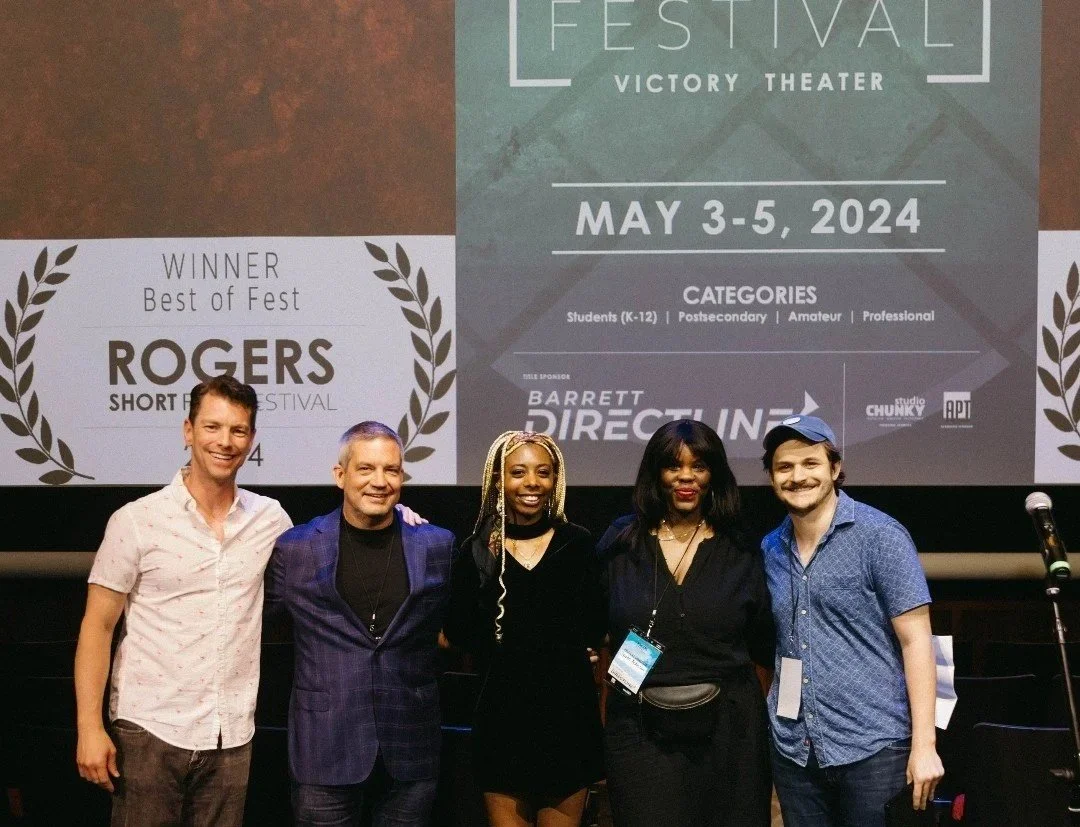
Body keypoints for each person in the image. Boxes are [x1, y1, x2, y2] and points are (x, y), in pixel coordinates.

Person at [74, 375, 293, 826]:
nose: (225, 441)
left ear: (251, 439)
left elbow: (331, 547)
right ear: (188, 430)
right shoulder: (136, 521)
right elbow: (97, 627)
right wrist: (89, 728)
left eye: (238, 430)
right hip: (149, 732)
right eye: (212, 427)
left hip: (231, 737)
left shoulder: (270, 519)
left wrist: (400, 518)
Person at [265, 421, 455, 826]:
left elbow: (452, 628)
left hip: (411, 746)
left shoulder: (437, 544)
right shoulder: (296, 548)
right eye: (366, 468)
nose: (380, 481)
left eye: (391, 470)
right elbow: (263, 625)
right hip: (324, 748)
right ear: (341, 475)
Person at [760, 415, 943, 826]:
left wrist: (924, 745)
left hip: (873, 749)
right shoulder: (770, 548)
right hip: (795, 750)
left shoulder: (881, 536)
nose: (797, 476)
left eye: (810, 463)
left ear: (835, 469)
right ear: (772, 478)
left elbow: (917, 641)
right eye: (784, 467)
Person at [596, 420, 774, 827]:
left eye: (700, 466)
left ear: (714, 475)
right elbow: (591, 620)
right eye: (674, 466)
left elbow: (764, 639)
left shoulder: (742, 547)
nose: (687, 477)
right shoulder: (620, 544)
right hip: (639, 733)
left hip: (730, 734)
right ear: (656, 474)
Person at [444, 432, 604, 827]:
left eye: (543, 473)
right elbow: (458, 633)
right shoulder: (477, 550)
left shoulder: (578, 544)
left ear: (555, 481)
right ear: (499, 480)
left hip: (568, 721)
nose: (532, 483)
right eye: (518, 472)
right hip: (501, 722)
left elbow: (597, 626)